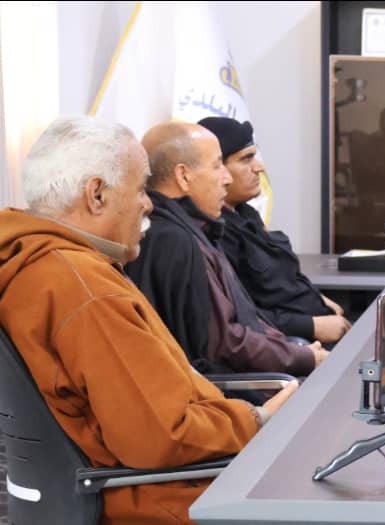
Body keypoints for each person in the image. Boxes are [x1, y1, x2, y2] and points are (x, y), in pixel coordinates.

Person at [0, 116, 298, 524]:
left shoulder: (34, 263)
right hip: (167, 498)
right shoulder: (87, 292)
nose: (149, 205)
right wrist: (258, 420)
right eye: (140, 188)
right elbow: (163, 435)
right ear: (97, 195)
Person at [126, 122, 326, 375]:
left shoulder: (195, 229)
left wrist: (292, 349)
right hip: (241, 387)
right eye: (217, 165)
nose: (227, 178)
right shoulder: (174, 240)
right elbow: (225, 345)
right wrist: (302, 357)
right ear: (183, 176)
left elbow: (245, 319)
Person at [197, 117, 351, 345]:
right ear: (218, 169)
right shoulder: (215, 233)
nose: (259, 167)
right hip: (295, 343)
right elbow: (242, 315)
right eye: (246, 159)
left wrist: (317, 298)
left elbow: (281, 279)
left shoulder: (246, 213)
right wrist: (311, 325)